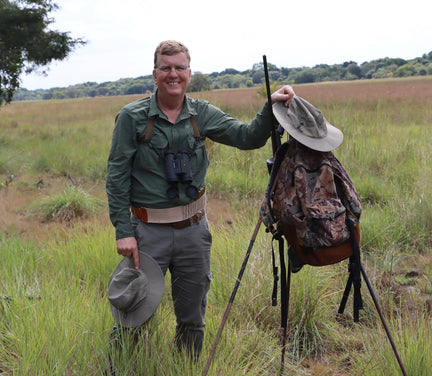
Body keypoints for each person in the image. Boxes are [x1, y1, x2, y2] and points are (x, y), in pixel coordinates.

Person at [106, 40, 295, 358]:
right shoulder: (131, 117)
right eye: (166, 68)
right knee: (134, 312)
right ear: (154, 74)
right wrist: (123, 230)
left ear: (189, 73)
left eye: (179, 67)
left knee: (193, 317)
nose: (173, 74)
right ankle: (117, 366)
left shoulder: (202, 113)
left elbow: (247, 137)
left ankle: (186, 367)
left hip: (194, 231)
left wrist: (270, 106)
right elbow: (116, 176)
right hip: (146, 231)